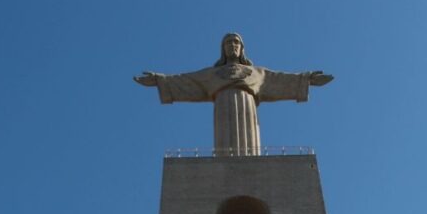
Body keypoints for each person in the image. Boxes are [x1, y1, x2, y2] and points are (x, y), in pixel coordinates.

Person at [134, 33, 333, 156]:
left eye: (236, 42)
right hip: (222, 107)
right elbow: (185, 80)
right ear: (223, 49)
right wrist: (159, 80)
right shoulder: (211, 74)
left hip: (248, 108)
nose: (232, 45)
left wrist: (307, 79)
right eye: (228, 43)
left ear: (242, 48)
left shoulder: (257, 73)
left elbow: (280, 79)